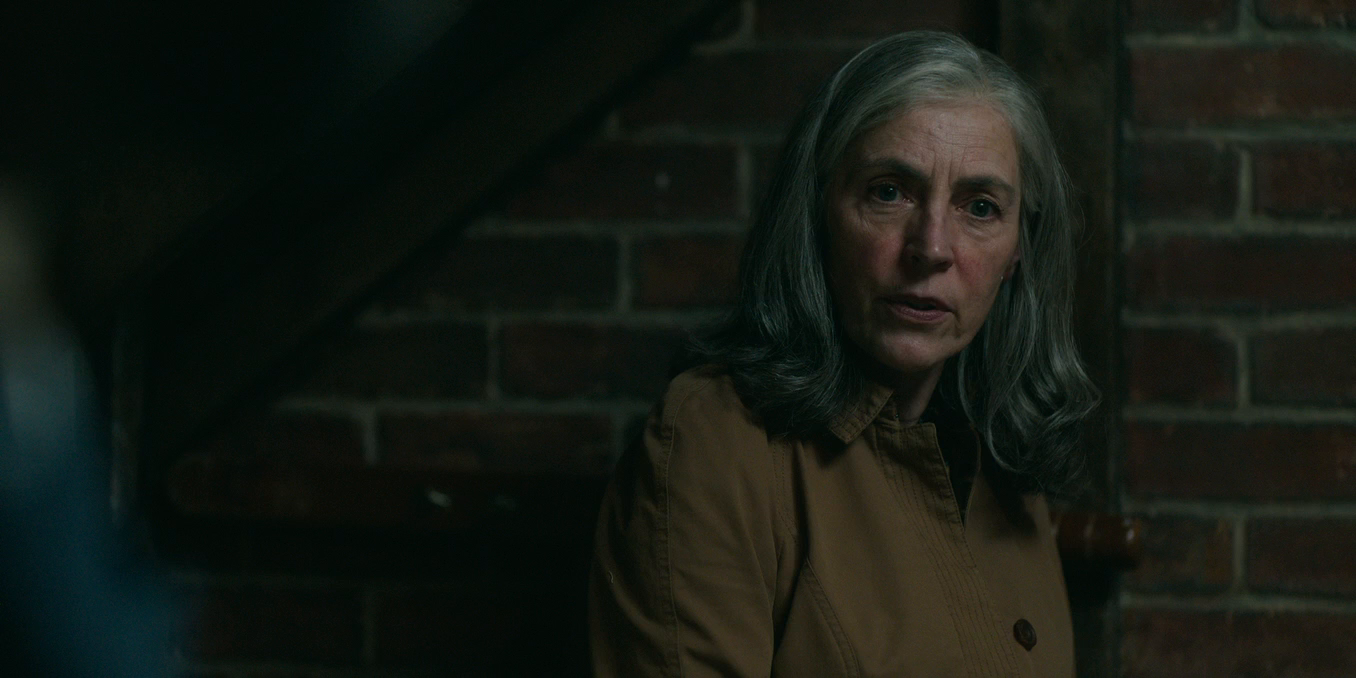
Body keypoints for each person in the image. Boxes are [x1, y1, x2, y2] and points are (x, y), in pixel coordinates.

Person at [588, 30, 1099, 677]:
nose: (931, 247)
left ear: (1018, 249)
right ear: (819, 209)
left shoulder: (1002, 462)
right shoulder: (716, 441)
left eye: (980, 207)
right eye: (889, 192)